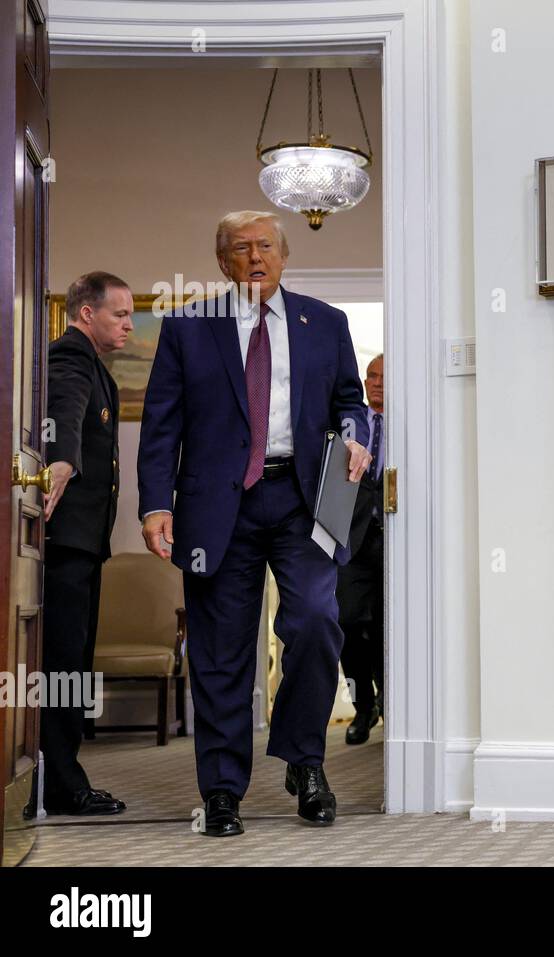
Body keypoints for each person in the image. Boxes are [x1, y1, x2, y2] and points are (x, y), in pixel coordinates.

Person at [138, 210, 371, 837]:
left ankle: (305, 762)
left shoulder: (326, 322)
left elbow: (352, 399)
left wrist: (356, 436)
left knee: (318, 623)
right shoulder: (188, 327)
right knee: (220, 652)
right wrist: (154, 504)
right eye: (240, 248)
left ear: (285, 255)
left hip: (303, 499)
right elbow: (162, 425)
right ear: (221, 262)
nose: (255, 256)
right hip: (218, 506)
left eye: (266, 245)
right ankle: (220, 791)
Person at [35, 271, 133, 816]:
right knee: (63, 665)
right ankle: (63, 784)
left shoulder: (94, 364)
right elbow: (62, 412)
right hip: (66, 544)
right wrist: (62, 461)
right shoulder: (71, 356)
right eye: (119, 314)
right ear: (86, 313)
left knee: (69, 663)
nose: (127, 324)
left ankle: (59, 776)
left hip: (81, 543)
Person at [338, 354, 384, 745]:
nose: (377, 382)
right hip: (350, 538)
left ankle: (390, 700)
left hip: (395, 538)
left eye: (385, 377)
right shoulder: (350, 425)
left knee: (390, 625)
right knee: (348, 621)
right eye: (371, 376)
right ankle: (363, 703)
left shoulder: (414, 422)